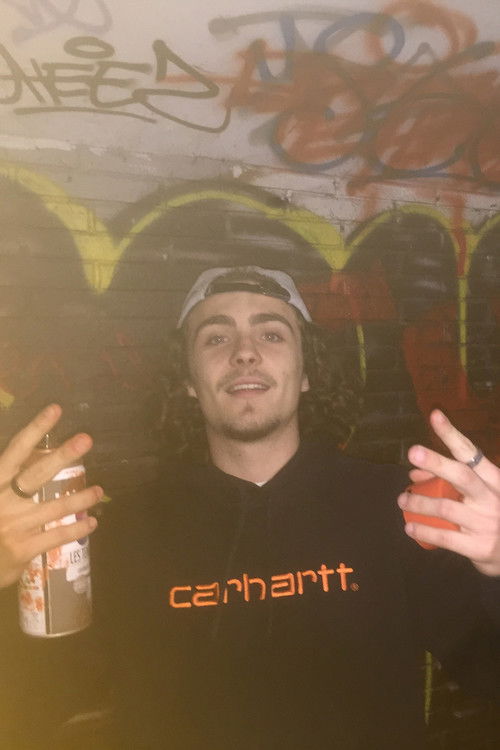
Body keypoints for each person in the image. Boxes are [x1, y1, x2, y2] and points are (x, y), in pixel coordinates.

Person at [0, 266, 499, 749]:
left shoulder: (397, 508)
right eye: (216, 337)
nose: (244, 353)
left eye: (272, 334)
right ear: (188, 380)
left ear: (306, 373)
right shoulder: (127, 533)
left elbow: (487, 671)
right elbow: (36, 703)